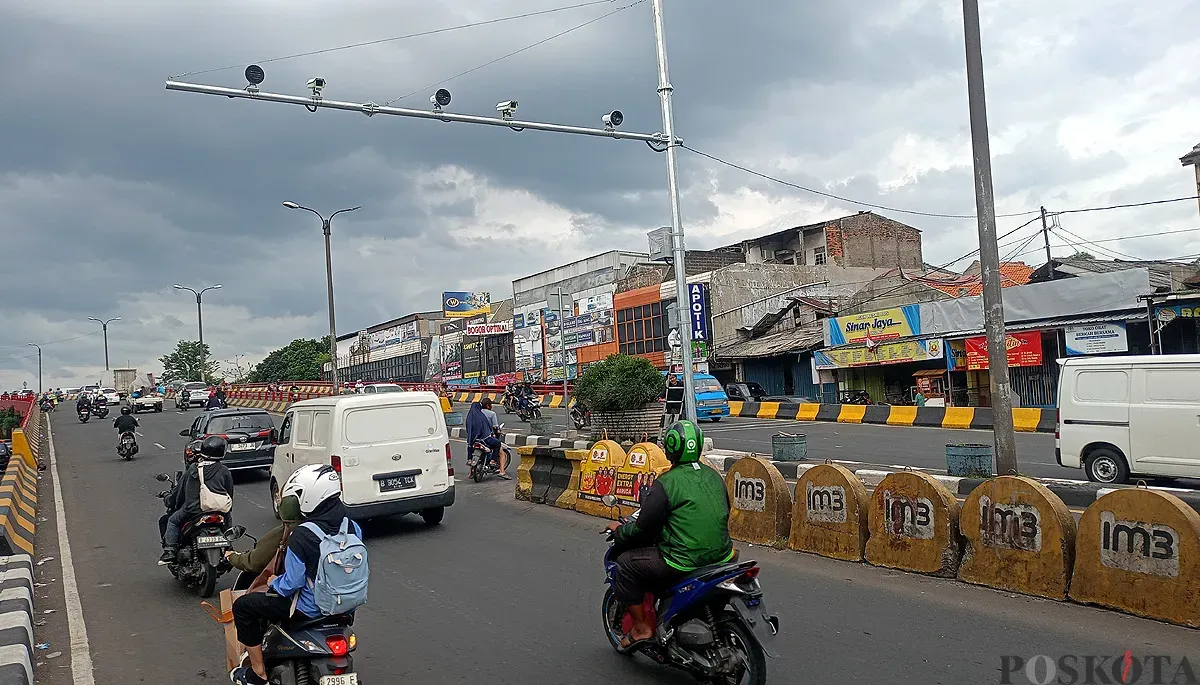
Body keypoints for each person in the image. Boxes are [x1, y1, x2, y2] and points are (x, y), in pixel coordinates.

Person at [604, 420, 733, 651]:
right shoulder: (714, 477)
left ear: (670, 448)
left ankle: (642, 628)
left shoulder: (666, 483)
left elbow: (643, 527)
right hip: (723, 556)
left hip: (682, 560)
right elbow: (725, 511)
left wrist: (621, 532)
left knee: (625, 565)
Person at [229, 465, 363, 685]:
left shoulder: (302, 534)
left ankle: (257, 673)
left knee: (244, 607)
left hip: (309, 608)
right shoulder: (352, 526)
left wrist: (274, 582)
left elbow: (293, 582)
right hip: (346, 605)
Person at [159, 436, 235, 564]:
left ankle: (170, 551)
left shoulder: (194, 469)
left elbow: (180, 493)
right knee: (228, 521)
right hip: (218, 509)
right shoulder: (224, 470)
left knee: (172, 520)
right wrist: (226, 508)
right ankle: (229, 548)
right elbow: (229, 492)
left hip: (193, 510)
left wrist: (172, 502)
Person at [224, 494, 302, 577]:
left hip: (287, 583)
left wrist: (232, 557)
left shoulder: (283, 532)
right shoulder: (310, 527)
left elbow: (254, 562)